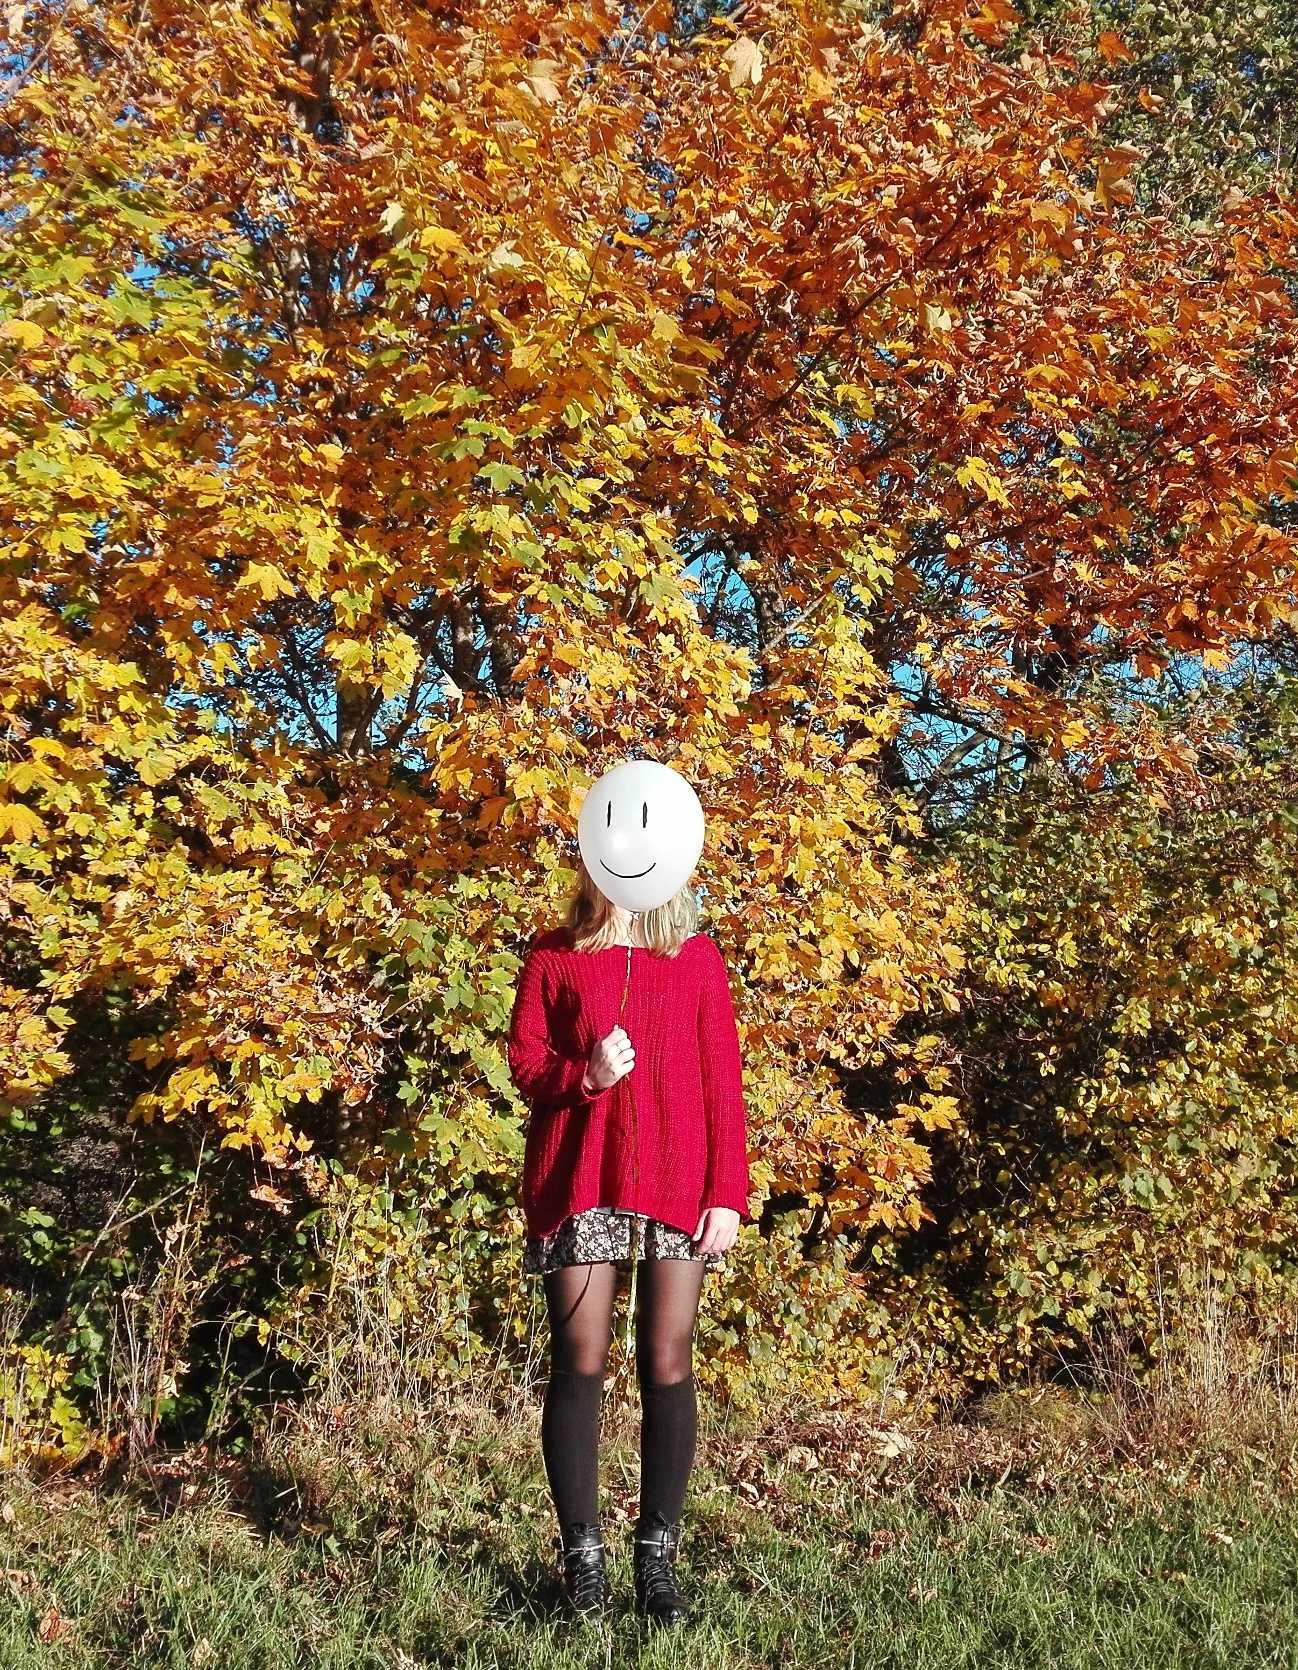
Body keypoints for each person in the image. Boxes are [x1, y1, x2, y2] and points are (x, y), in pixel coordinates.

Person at [506, 862, 753, 1626]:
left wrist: (728, 1191)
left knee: (667, 1361)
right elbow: (524, 1061)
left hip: (680, 1182)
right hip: (580, 1176)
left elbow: (722, 1078)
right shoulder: (554, 954)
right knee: (579, 1361)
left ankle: (656, 1563)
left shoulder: (696, 958)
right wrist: (584, 1075)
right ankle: (583, 1563)